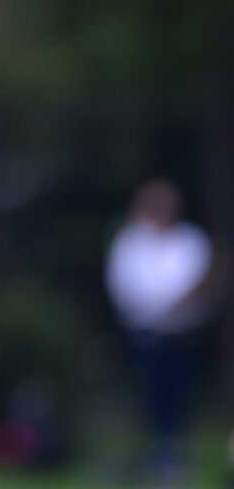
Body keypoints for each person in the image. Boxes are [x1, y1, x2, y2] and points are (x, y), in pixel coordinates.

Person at [105, 178, 213, 483]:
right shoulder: (130, 243)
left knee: (181, 397)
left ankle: (177, 453)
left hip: (184, 335)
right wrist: (156, 308)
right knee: (148, 397)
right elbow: (124, 286)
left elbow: (199, 281)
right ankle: (150, 454)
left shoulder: (190, 241)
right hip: (145, 335)